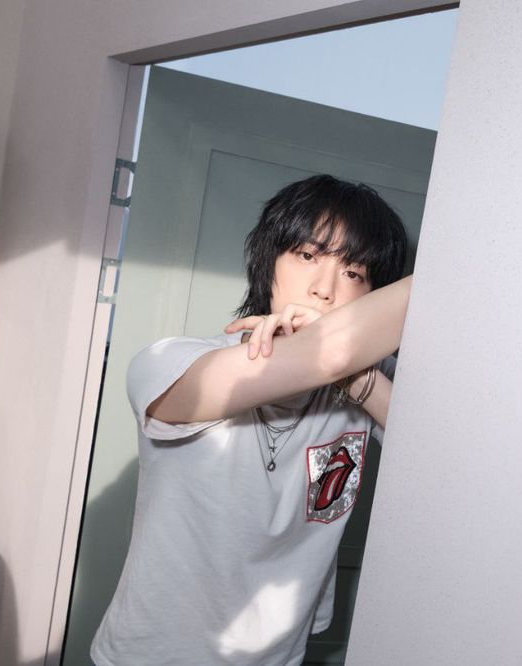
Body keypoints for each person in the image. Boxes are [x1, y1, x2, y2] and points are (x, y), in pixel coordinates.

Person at [90, 174, 413, 666]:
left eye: (354, 273)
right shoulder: (168, 364)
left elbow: (441, 460)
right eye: (307, 255)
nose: (324, 289)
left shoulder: (369, 383)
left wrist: (361, 380)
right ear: (269, 262)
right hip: (151, 654)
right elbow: (325, 356)